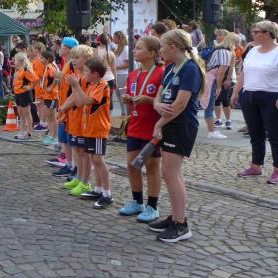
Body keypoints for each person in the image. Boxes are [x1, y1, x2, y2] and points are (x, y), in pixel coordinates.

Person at [150, 29, 204, 243]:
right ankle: (175, 217)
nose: (160, 50)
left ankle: (181, 225)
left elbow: (180, 104)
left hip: (181, 125)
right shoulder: (171, 67)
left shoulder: (190, 68)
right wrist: (156, 105)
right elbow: (159, 94)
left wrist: (159, 123)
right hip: (169, 123)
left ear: (173, 47)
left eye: (162, 46)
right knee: (171, 173)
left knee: (170, 174)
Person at [119, 36, 164, 222]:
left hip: (153, 127)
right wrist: (129, 99)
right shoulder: (133, 74)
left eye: (139, 48)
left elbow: (164, 101)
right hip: (135, 126)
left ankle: (152, 206)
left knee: (152, 166)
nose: (134, 51)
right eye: (135, 48)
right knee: (132, 165)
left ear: (152, 53)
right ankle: (137, 202)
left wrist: (148, 100)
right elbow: (135, 97)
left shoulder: (161, 73)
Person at [231, 20, 278, 183]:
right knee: (255, 133)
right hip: (249, 95)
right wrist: (236, 91)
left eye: (256, 32)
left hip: (271, 96)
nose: (253, 35)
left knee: (274, 134)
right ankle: (256, 166)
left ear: (267, 33)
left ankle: (277, 169)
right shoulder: (252, 51)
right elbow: (244, 73)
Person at [70, 58, 113, 208]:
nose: (84, 74)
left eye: (87, 71)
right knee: (94, 160)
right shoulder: (91, 85)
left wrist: (76, 85)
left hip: (98, 129)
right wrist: (75, 87)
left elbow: (87, 101)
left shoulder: (102, 85)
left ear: (95, 74)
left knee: (99, 160)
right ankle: (98, 189)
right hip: (89, 129)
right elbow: (80, 101)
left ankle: (107, 194)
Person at [60, 45, 95, 196]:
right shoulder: (78, 75)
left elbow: (79, 99)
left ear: (87, 59)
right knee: (77, 150)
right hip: (75, 118)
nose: (73, 60)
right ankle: (79, 177)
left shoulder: (85, 78)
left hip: (83, 119)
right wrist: (64, 110)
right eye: (72, 57)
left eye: (77, 57)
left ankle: (85, 182)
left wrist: (64, 107)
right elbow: (73, 95)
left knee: (83, 152)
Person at [50, 37, 80, 173]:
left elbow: (75, 86)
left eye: (62, 47)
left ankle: (74, 166)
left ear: (68, 49)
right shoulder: (66, 63)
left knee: (70, 139)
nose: (59, 49)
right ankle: (68, 164)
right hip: (63, 104)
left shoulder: (73, 64)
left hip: (69, 107)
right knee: (64, 138)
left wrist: (66, 106)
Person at [204, 32, 237, 138]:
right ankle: (212, 131)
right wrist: (219, 87)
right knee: (210, 104)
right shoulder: (225, 51)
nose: (238, 44)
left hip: (212, 78)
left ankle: (214, 129)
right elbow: (220, 71)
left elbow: (224, 69)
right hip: (212, 79)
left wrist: (226, 80)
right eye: (237, 42)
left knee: (211, 103)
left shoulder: (223, 50)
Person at [12, 52, 38, 140]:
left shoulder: (26, 70)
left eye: (15, 60)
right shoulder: (17, 70)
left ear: (19, 61)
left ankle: (29, 132)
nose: (14, 61)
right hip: (18, 93)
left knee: (26, 112)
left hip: (24, 94)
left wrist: (30, 87)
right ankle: (22, 131)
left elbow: (35, 79)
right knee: (21, 113)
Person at [39, 50, 59, 147]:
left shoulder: (50, 67)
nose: (40, 59)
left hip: (51, 95)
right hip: (47, 95)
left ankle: (54, 137)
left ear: (48, 59)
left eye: (42, 58)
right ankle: (51, 135)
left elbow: (56, 77)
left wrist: (51, 87)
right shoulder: (47, 67)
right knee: (49, 117)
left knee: (52, 117)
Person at [95, 33, 117, 111]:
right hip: (110, 78)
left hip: (99, 79)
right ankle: (109, 116)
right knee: (109, 99)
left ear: (99, 41)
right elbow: (114, 69)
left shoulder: (95, 52)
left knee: (98, 99)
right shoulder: (111, 54)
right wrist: (116, 81)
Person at [113, 31, 130, 114]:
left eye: (114, 37)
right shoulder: (117, 49)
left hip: (123, 74)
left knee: (123, 95)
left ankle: (126, 113)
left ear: (119, 38)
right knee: (118, 95)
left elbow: (127, 64)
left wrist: (114, 67)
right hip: (117, 74)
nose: (113, 39)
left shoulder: (126, 49)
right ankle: (123, 113)